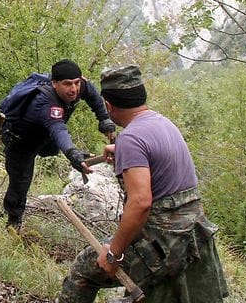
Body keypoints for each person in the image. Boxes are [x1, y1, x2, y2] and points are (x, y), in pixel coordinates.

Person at [56, 65, 229, 303]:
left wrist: (114, 253)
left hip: (163, 243)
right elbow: (156, 157)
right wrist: (123, 152)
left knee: (83, 271)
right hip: (194, 237)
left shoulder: (131, 138)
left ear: (108, 105)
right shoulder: (163, 123)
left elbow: (140, 202)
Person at [1, 59, 116, 229]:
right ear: (54, 83)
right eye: (67, 84)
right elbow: (58, 129)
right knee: (20, 182)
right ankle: (13, 220)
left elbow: (94, 97)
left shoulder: (80, 86)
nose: (74, 89)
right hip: (22, 141)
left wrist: (104, 119)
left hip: (45, 137)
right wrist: (72, 153)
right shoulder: (43, 102)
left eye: (77, 83)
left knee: (52, 149)